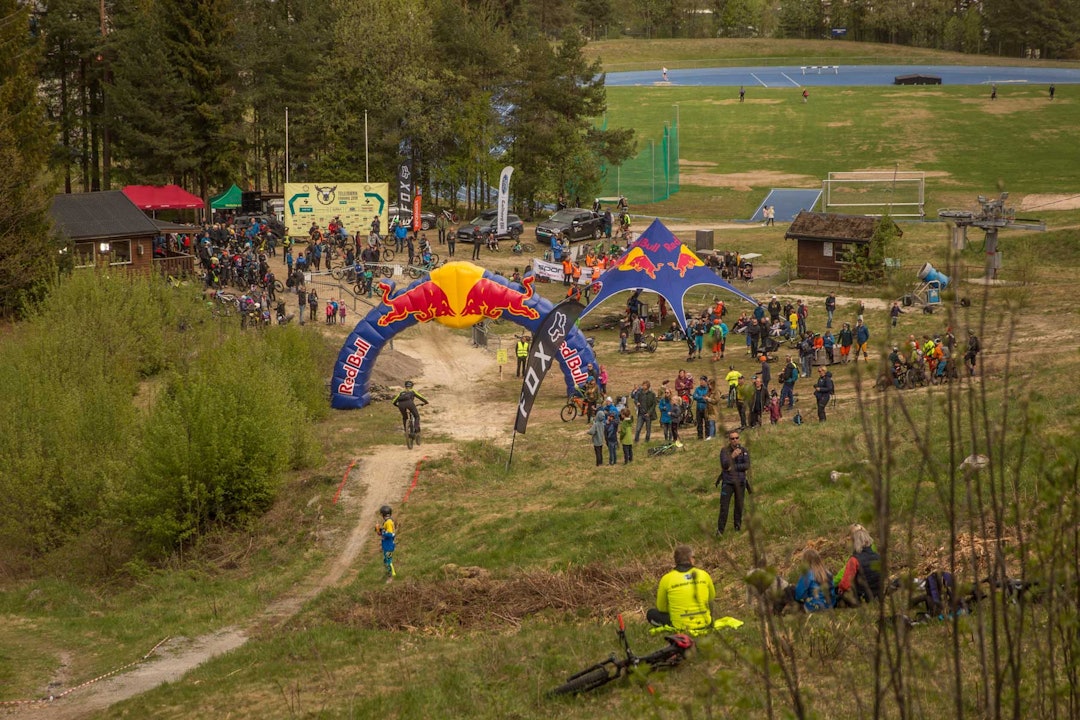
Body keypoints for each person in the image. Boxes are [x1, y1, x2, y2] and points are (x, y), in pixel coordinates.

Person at [646, 545, 716, 632]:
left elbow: (661, 608)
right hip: (705, 623)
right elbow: (711, 598)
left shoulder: (666, 579)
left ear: (675, 560)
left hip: (681, 625)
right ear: (691, 559)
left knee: (651, 614)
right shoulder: (704, 574)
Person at [837, 524, 883, 606]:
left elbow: (845, 585)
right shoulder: (878, 557)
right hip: (877, 596)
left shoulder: (854, 560)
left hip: (861, 598)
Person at [716, 429, 750, 535]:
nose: (735, 440)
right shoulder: (724, 451)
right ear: (729, 440)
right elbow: (725, 465)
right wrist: (732, 456)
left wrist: (733, 467)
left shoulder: (744, 450)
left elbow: (746, 465)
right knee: (724, 507)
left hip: (740, 482)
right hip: (728, 482)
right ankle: (720, 530)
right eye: (732, 438)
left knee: (739, 506)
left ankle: (737, 528)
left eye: (736, 438)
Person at [793, 548, 835, 612]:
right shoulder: (827, 572)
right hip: (831, 605)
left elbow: (799, 595)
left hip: (815, 607)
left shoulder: (807, 574)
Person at [375, 505, 397, 582]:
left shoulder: (389, 522)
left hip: (389, 545)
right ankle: (388, 574)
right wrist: (378, 530)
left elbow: (390, 534)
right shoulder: (387, 522)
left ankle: (390, 577)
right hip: (386, 545)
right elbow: (385, 532)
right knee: (385, 561)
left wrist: (382, 532)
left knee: (388, 561)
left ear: (383, 514)